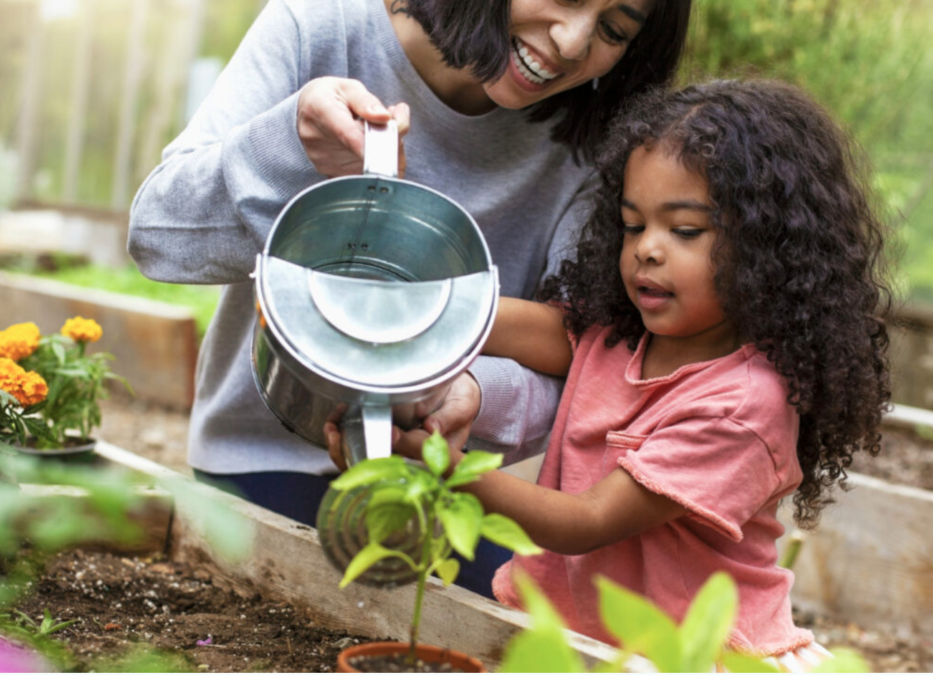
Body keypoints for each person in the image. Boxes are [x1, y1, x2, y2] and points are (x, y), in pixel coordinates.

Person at [127, 0, 692, 598]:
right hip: (263, 459)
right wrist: (292, 145)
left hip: (439, 486)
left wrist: (476, 391)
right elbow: (158, 236)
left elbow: (587, 361)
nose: (573, 43)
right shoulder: (322, 27)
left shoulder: (591, 143)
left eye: (613, 30)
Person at [366, 78, 893, 666]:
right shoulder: (626, 336)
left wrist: (434, 465)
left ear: (768, 247)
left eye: (685, 230)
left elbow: (586, 522)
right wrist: (428, 314)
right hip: (578, 637)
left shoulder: (744, 404)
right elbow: (538, 328)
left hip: (690, 655)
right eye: (634, 225)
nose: (647, 248)